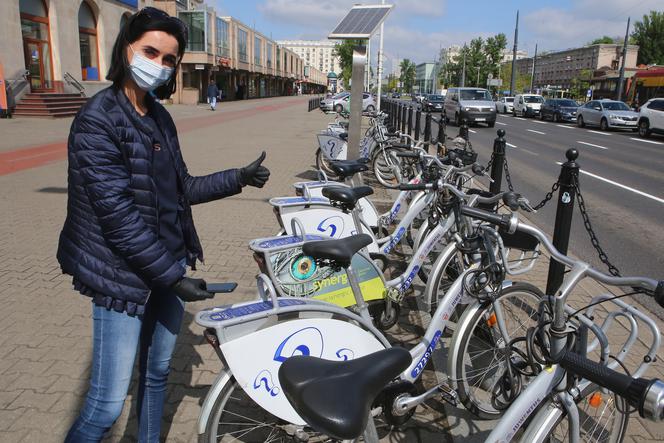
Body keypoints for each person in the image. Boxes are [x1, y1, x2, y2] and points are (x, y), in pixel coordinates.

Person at [57, 7, 270, 442]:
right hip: (123, 278)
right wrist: (175, 279)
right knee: (105, 406)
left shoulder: (157, 115)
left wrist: (238, 178)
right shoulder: (98, 120)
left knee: (156, 375)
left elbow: (181, 188)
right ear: (127, 48)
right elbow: (118, 221)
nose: (158, 64)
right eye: (150, 51)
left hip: (168, 266)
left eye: (169, 58)